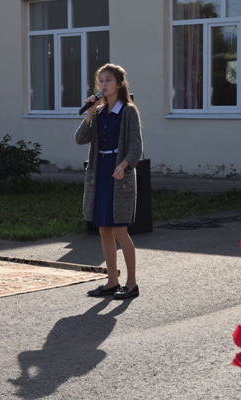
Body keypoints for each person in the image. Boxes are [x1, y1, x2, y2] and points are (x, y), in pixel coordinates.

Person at [75, 63, 143, 300]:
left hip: (119, 172)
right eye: (101, 80)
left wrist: (124, 165)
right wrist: (89, 113)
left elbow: (136, 146)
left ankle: (131, 284)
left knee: (119, 230)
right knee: (103, 229)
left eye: (108, 80)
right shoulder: (99, 112)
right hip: (100, 172)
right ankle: (112, 282)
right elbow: (80, 139)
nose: (103, 84)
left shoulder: (128, 111)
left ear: (119, 84)